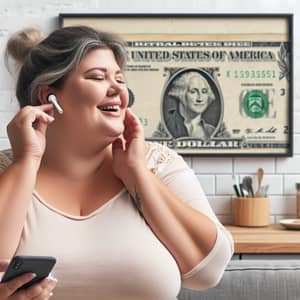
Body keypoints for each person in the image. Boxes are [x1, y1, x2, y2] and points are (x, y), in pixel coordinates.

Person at [0, 26, 233, 300]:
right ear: (48, 97)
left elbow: (209, 271)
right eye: (98, 77)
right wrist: (27, 161)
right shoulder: (9, 170)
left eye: (120, 79)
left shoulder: (157, 164)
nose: (117, 89)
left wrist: (137, 173)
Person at [163, 70, 229, 140]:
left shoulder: (211, 131)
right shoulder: (168, 126)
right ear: (180, 94)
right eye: (193, 92)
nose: (200, 98)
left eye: (204, 91)